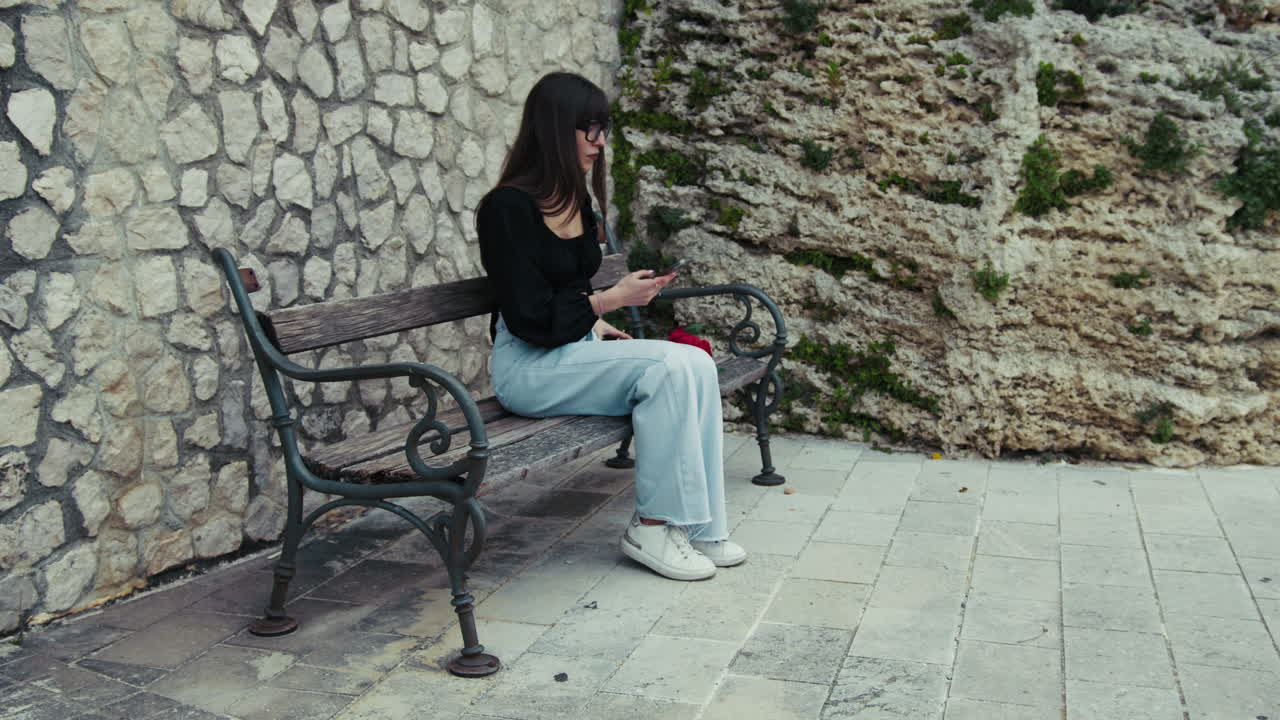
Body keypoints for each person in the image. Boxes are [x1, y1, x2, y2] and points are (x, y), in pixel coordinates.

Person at [475, 72, 746, 581]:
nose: (600, 141)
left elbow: (566, 295)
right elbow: (529, 316)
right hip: (528, 369)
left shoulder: (577, 202)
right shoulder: (507, 209)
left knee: (695, 364)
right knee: (668, 365)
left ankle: (702, 526)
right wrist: (606, 303)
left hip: (568, 353)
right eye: (588, 128)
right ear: (555, 129)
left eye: (604, 127)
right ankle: (653, 525)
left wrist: (594, 325)